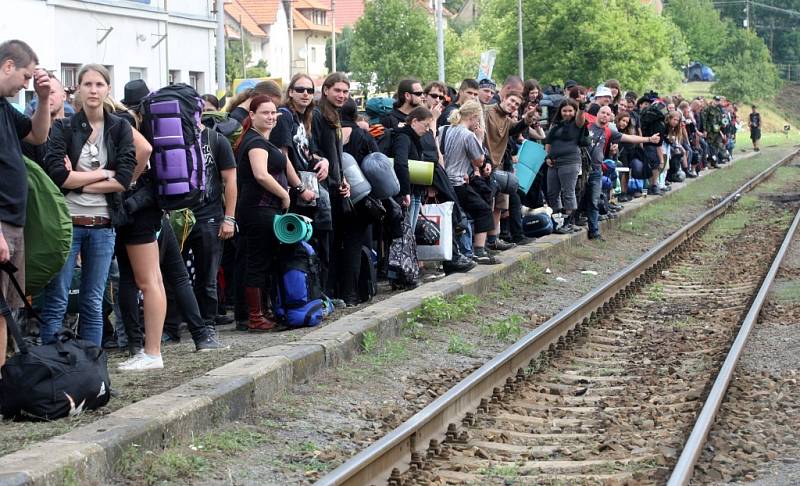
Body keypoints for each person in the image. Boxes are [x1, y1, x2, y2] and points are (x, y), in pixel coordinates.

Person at [41, 64, 139, 354]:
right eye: (87, 84)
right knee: (57, 298)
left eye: (99, 84)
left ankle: (92, 366)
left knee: (93, 301)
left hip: (103, 224)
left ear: (108, 89)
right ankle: (53, 367)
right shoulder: (63, 127)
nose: (93, 90)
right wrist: (102, 174)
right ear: (78, 90)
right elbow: (58, 175)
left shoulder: (120, 126)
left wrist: (78, 182)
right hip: (68, 224)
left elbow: (123, 179)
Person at [0, 39, 51, 367]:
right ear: (7, 66)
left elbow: (37, 136)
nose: (27, 84)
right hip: (1, 223)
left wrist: (43, 100)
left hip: (12, 221)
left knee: (6, 308)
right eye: (26, 76)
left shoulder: (5, 107)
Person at [233, 95, 290, 331]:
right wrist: (284, 194)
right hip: (258, 208)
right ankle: (254, 316)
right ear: (252, 116)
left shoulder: (260, 140)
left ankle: (259, 312)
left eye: (273, 112)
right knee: (256, 262)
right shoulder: (255, 142)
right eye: (265, 113)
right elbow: (261, 174)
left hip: (261, 209)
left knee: (260, 260)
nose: (270, 117)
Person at [585, 106, 659, 240]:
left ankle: (594, 231)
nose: (604, 116)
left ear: (610, 117)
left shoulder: (609, 132)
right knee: (579, 198)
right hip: (582, 168)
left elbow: (629, 138)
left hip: (596, 169)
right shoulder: (586, 127)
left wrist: (648, 139)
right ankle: (573, 221)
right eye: (602, 113)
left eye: (608, 114)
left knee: (594, 199)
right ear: (597, 114)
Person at [312, 72, 351, 298]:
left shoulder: (334, 115)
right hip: (322, 188)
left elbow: (337, 154)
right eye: (337, 90)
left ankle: (328, 292)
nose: (341, 95)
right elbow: (315, 150)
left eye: (345, 92)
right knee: (324, 245)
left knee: (335, 244)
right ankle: (322, 293)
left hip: (336, 186)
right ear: (326, 90)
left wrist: (343, 178)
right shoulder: (317, 115)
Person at [441, 100, 496, 264]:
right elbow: (479, 161)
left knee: (460, 216)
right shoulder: (468, 134)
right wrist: (479, 138)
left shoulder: (445, 129)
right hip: (458, 182)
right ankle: (479, 250)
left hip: (444, 182)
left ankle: (467, 250)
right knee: (484, 210)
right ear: (473, 117)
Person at [544, 98, 585, 234]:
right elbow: (548, 142)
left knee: (568, 192)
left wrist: (582, 108)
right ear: (560, 111)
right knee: (552, 192)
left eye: (570, 111)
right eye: (564, 111)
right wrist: (547, 156)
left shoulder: (577, 124)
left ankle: (568, 222)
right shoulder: (555, 125)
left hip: (570, 161)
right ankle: (558, 220)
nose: (567, 113)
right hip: (554, 162)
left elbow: (580, 118)